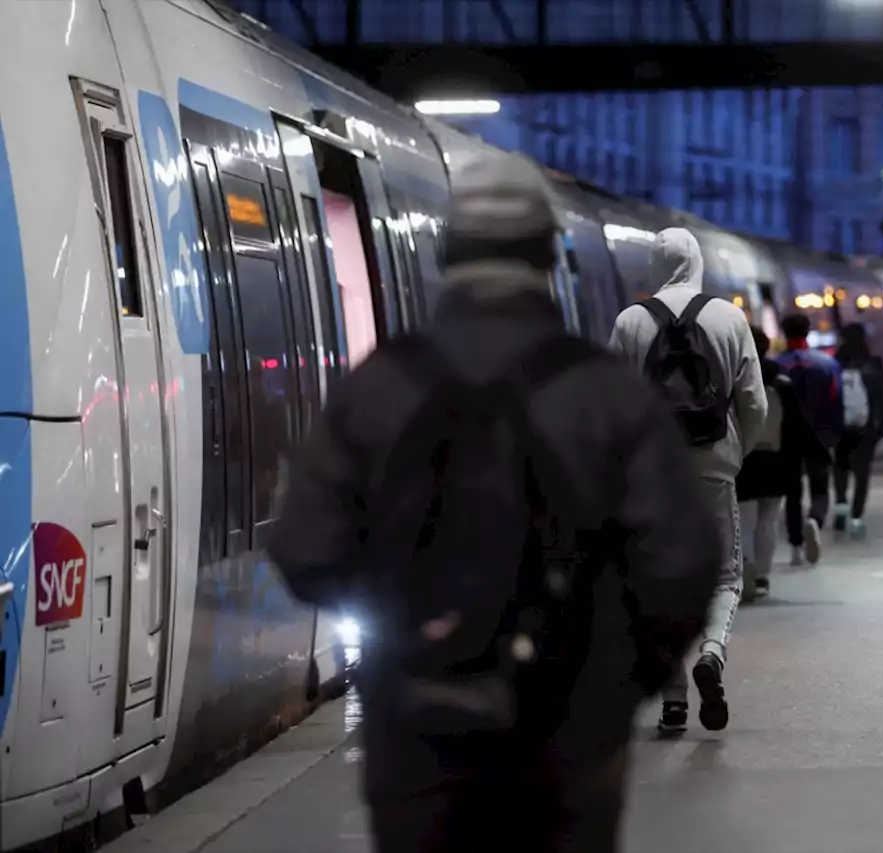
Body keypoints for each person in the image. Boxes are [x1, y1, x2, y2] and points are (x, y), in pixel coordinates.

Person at [269, 155, 721, 853]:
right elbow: (685, 560)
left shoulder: (380, 387)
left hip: (416, 730)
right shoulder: (607, 393)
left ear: (448, 253)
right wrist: (613, 687)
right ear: (546, 255)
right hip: (570, 734)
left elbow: (303, 546)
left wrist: (399, 637)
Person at [610, 226, 767, 734]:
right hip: (713, 465)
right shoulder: (727, 317)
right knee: (723, 576)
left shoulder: (630, 321)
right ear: (698, 262)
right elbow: (755, 402)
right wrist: (734, 451)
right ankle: (712, 654)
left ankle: (674, 698)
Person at [736, 326, 828, 599]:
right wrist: (816, 456)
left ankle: (746, 568)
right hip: (777, 461)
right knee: (768, 520)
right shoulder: (782, 384)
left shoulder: (731, 381)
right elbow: (799, 427)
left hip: (744, 460)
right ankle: (762, 575)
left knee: (744, 520)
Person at [774, 313, 843, 564]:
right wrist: (835, 434)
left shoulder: (776, 365)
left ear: (783, 332)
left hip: (786, 435)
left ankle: (794, 545)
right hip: (820, 434)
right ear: (808, 331)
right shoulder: (827, 364)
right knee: (820, 485)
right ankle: (815, 519)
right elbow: (837, 401)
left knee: (792, 491)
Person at [831, 323, 883, 539]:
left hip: (839, 427)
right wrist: (880, 428)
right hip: (865, 428)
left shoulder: (834, 364)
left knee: (840, 468)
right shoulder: (874, 364)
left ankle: (840, 507)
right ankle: (856, 518)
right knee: (862, 473)